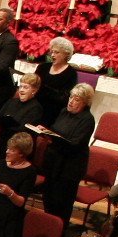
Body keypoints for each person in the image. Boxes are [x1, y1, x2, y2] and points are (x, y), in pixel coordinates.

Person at [39, 82, 97, 223]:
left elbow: (75, 144)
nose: (71, 101)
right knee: (48, 198)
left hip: (69, 167)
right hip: (53, 162)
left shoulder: (87, 120)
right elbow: (55, 130)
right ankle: (49, 228)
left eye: (76, 99)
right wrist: (46, 132)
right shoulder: (63, 112)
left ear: (85, 103)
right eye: (71, 97)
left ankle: (59, 232)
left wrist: (54, 138)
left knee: (61, 203)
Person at [35, 36, 79, 118]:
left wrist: (44, 88)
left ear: (66, 54)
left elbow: (65, 98)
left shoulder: (71, 73)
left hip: (53, 111)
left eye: (56, 52)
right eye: (51, 52)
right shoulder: (42, 67)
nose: (52, 55)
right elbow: (33, 84)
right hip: (35, 107)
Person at [0, 72, 46, 140]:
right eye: (20, 86)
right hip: (2, 137)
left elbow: (23, 131)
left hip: (18, 143)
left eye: (25, 87)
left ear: (34, 90)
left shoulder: (36, 108)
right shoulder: (12, 101)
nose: (21, 90)